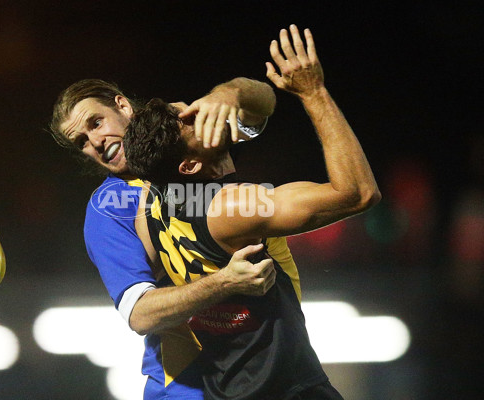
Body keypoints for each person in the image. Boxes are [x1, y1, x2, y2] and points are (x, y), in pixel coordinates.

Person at [124, 24, 381, 399]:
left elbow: (259, 106)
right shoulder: (233, 207)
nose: (201, 111)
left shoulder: (148, 207)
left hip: (223, 390)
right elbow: (359, 194)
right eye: (192, 119)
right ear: (190, 166)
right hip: (287, 389)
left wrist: (228, 93)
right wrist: (313, 92)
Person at [50, 77, 278, 398]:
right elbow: (140, 314)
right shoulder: (108, 209)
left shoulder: (181, 136)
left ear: (122, 105)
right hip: (189, 387)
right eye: (82, 141)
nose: (96, 141)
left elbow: (261, 109)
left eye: (96, 122)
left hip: (259, 370)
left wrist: (229, 94)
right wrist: (226, 281)